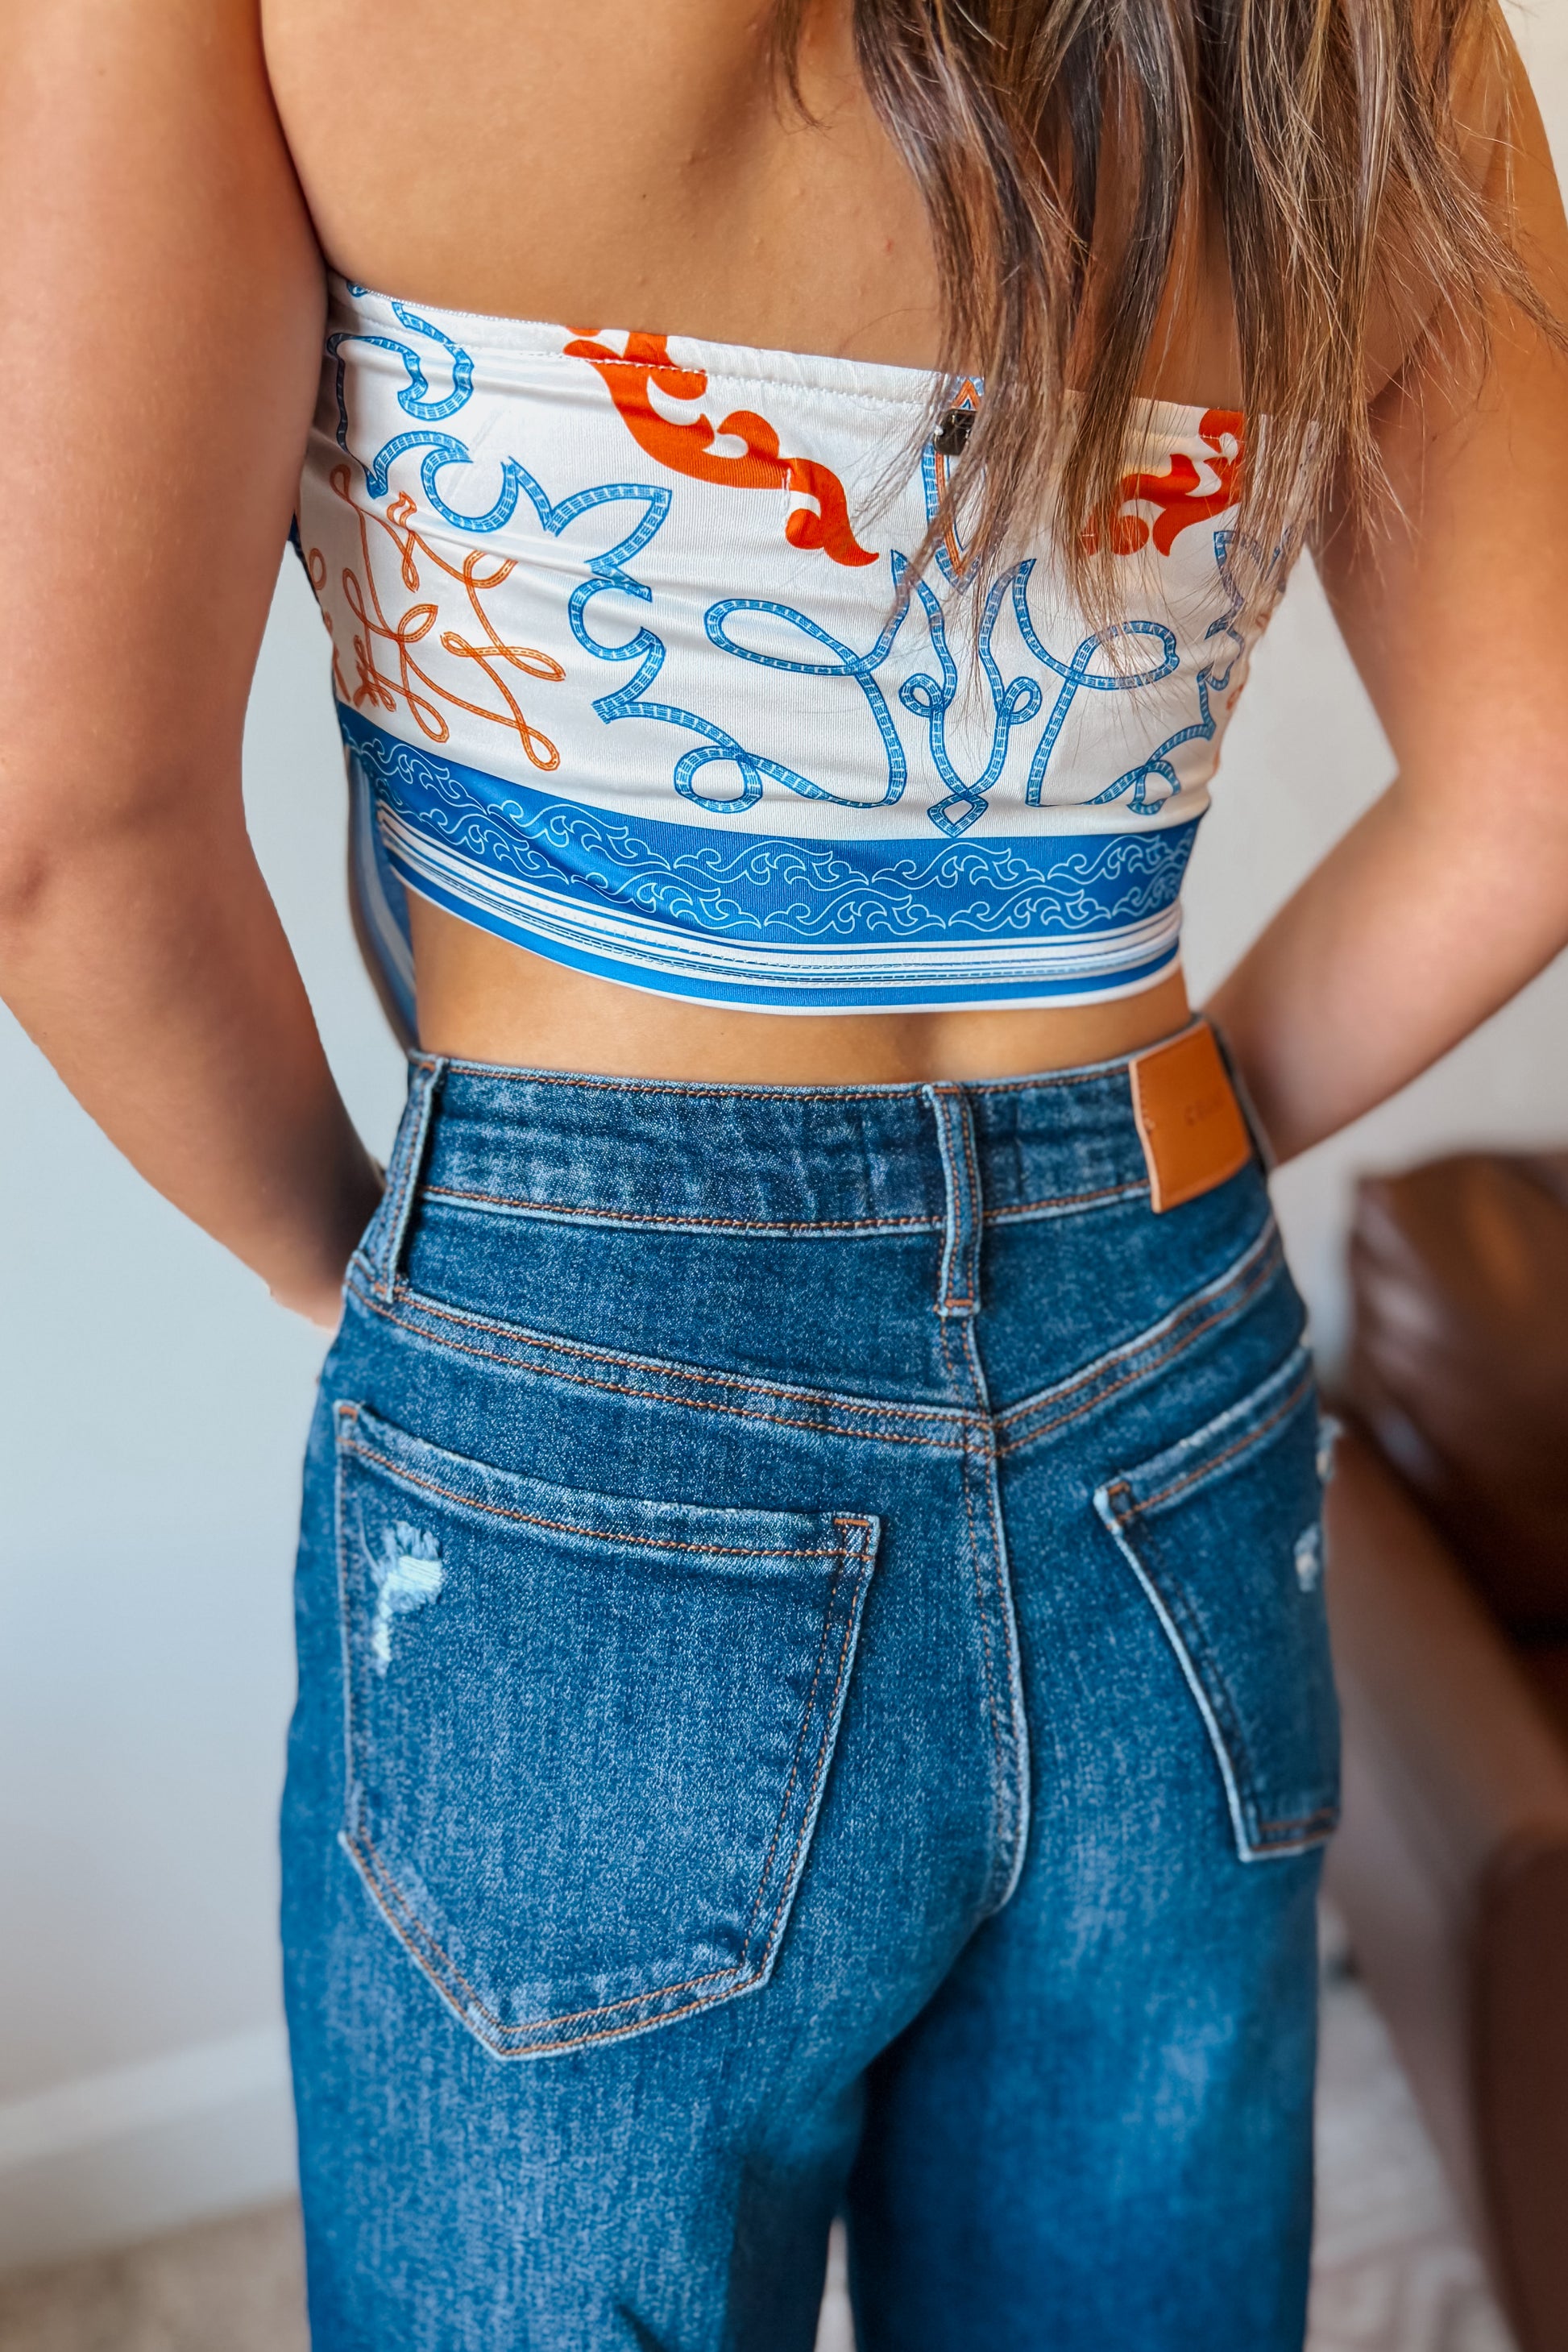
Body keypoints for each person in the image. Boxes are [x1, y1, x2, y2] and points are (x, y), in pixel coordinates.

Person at [2, 1, 1564, 2343]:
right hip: (1171, 1376)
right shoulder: (1388, 30)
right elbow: (1537, 784)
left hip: (576, 1345)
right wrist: (1126, 1162)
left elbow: (66, 839)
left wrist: (397, 1274)